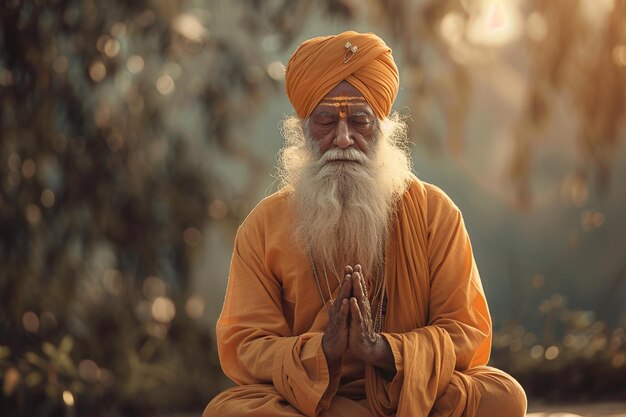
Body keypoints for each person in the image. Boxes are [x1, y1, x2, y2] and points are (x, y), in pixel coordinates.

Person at [203, 31, 527, 417]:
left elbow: (466, 331)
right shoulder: (264, 225)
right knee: (228, 410)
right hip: (309, 402)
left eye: (360, 120)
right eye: (326, 121)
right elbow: (245, 343)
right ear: (303, 130)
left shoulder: (434, 213)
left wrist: (382, 349)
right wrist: (322, 349)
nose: (343, 138)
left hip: (407, 393)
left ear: (383, 129)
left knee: (502, 395)